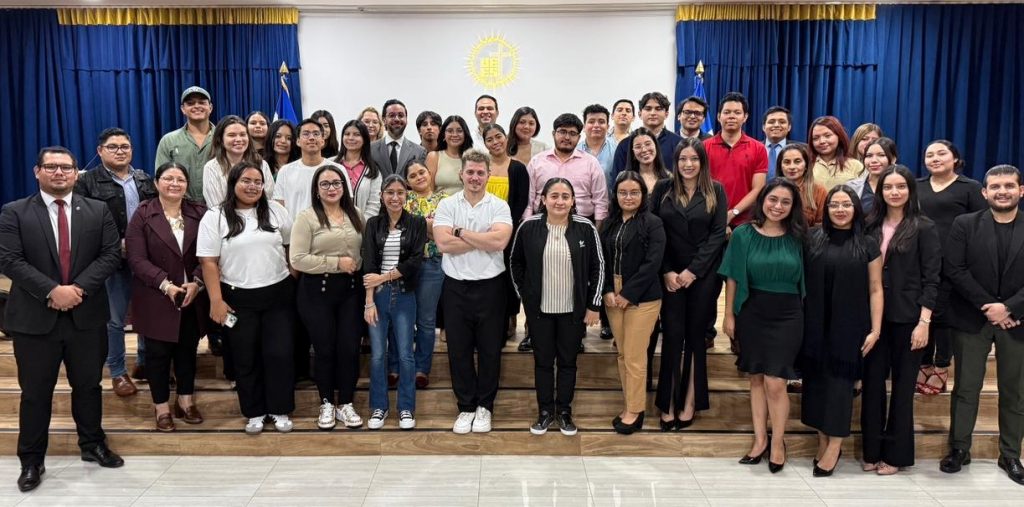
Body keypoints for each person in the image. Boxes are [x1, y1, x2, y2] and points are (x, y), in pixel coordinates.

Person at [0, 146, 124, 493]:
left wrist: (77, 289)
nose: (59, 173)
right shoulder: (14, 212)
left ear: (75, 173)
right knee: (35, 393)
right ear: (37, 171)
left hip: (86, 316)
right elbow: (9, 259)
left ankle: (92, 444)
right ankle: (31, 460)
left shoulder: (97, 210)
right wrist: (53, 291)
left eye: (66, 167)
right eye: (51, 167)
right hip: (35, 319)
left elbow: (110, 254)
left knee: (88, 386)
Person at [940, 164, 1024, 486]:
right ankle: (960, 448)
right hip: (972, 318)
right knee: (966, 388)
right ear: (984, 192)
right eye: (996, 187)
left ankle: (1010, 454)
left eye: (1009, 186)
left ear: (1020, 191)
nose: (1002, 191)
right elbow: (955, 269)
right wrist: (990, 307)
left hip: (1017, 321)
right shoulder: (965, 224)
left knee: (1015, 392)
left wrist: (1009, 307)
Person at [197, 162, 296, 435]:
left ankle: (279, 408)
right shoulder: (215, 216)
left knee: (279, 354)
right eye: (246, 181)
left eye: (258, 182)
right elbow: (208, 262)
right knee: (245, 356)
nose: (253, 186)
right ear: (233, 183)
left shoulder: (276, 211)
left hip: (278, 294)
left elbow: (291, 247)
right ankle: (254, 412)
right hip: (236, 297)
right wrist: (216, 300)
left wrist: (292, 278)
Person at [719, 178, 807, 473]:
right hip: (752, 311)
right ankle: (759, 441)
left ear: (793, 207)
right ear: (762, 200)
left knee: (776, 382)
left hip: (788, 315)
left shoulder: (799, 237)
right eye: (773, 199)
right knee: (756, 378)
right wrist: (729, 315)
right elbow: (733, 276)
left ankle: (778, 442)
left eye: (785, 202)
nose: (777, 206)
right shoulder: (743, 234)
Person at [861, 165, 941, 475]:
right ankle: (871, 450)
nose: (894, 192)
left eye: (901, 186)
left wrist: (924, 322)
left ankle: (896, 455)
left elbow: (932, 278)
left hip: (909, 319)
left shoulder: (924, 227)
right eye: (888, 187)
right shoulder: (869, 225)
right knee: (872, 386)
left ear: (910, 190)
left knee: (903, 389)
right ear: (879, 191)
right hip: (873, 318)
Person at [800, 185, 883, 477]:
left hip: (849, 326)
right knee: (816, 386)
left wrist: (875, 329)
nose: (840, 210)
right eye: (834, 204)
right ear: (826, 209)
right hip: (814, 324)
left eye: (846, 204)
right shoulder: (812, 237)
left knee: (839, 388)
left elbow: (876, 288)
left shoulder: (868, 243)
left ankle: (834, 447)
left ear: (856, 209)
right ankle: (823, 441)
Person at [512, 178, 603, 436]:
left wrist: (593, 304)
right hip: (539, 311)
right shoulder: (528, 227)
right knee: (542, 362)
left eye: (565, 196)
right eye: (554, 196)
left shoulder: (585, 227)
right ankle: (544, 412)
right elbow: (515, 263)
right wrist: (526, 297)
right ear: (543, 199)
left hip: (573, 312)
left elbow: (598, 266)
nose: (559, 201)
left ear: (573, 200)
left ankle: (563, 412)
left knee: (567, 362)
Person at [433, 149, 514, 434]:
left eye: (480, 172)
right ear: (461, 174)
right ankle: (466, 406)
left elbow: (500, 242)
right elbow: (443, 244)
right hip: (455, 287)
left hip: (491, 286)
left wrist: (460, 232)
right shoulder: (447, 204)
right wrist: (482, 239)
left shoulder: (499, 206)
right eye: (470, 172)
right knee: (459, 350)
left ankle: (485, 407)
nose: (475, 177)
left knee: (490, 349)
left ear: (488, 175)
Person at [124, 162, 208, 432]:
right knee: (157, 355)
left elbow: (212, 252)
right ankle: (161, 408)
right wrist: (166, 285)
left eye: (180, 179)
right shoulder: (143, 213)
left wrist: (197, 281)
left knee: (187, 351)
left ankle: (185, 401)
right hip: (156, 294)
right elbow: (136, 258)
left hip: (191, 295)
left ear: (187, 184)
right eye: (168, 178)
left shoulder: (200, 212)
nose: (175, 184)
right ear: (157, 183)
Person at [651, 138, 727, 431]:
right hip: (669, 275)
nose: (688, 164)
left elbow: (717, 235)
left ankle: (690, 401)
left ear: (702, 162)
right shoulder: (663, 188)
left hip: (703, 275)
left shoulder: (715, 190)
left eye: (694, 159)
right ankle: (668, 403)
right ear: (675, 161)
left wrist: (693, 271)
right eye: (683, 158)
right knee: (672, 336)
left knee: (696, 337)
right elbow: (654, 232)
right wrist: (667, 271)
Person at [75, 127, 157, 396]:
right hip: (111, 260)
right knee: (115, 319)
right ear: (100, 151)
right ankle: (118, 372)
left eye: (125, 146)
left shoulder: (144, 179)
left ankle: (144, 362)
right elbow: (82, 223)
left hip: (144, 259)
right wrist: (112, 244)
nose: (120, 151)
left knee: (146, 314)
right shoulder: (86, 182)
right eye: (113, 147)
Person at [289, 165, 366, 431]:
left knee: (349, 348)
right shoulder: (307, 218)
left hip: (351, 291)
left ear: (344, 186)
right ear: (316, 189)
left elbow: (364, 251)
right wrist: (335, 263)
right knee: (325, 349)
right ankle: (326, 403)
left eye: (336, 183)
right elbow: (297, 259)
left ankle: (345, 402)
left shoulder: (356, 214)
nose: (331, 188)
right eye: (325, 184)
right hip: (316, 292)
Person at [916, 140, 986, 396]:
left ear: (955, 158)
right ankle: (923, 363)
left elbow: (981, 224)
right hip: (920, 259)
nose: (935, 158)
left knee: (943, 315)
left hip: (954, 262)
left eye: (941, 153)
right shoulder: (916, 185)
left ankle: (942, 366)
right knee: (921, 311)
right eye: (929, 155)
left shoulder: (970, 187)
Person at [601, 172, 667, 434]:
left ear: (643, 195)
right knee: (623, 354)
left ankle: (635, 411)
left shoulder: (653, 223)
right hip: (613, 295)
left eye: (634, 192)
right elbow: (601, 260)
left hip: (643, 296)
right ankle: (629, 403)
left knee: (635, 356)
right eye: (623, 192)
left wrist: (628, 293)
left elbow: (653, 263)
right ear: (615, 195)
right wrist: (607, 289)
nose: (628, 197)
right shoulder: (609, 223)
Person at [363, 175, 428, 430]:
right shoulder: (373, 224)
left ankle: (406, 408)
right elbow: (369, 264)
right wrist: (369, 302)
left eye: (400, 192)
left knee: (405, 355)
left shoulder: (416, 223)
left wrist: (384, 276)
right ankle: (379, 407)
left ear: (406, 196)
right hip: (377, 296)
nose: (395, 197)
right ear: (382, 195)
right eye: (390, 192)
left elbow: (414, 262)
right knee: (378, 355)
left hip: (404, 294)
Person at [481, 123, 531, 342]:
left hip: (509, 230)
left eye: (498, 136)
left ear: (506, 137)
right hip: (482, 231)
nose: (495, 142)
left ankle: (511, 316)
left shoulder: (518, 168)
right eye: (489, 139)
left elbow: (521, 201)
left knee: (509, 275)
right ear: (485, 143)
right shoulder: (481, 167)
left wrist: (504, 227)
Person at [404, 162, 448, 387]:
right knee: (403, 318)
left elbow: (444, 232)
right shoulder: (403, 199)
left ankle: (422, 369)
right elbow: (402, 231)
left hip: (433, 263)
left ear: (430, 174)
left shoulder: (445, 200)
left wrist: (419, 226)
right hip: (406, 266)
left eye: (422, 172)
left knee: (426, 319)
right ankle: (400, 366)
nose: (419, 177)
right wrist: (429, 227)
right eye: (413, 175)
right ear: (407, 181)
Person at [525, 113, 608, 225]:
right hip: (542, 221)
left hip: (582, 223)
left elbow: (601, 202)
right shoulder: (537, 162)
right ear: (554, 134)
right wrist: (528, 227)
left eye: (572, 133)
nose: (567, 137)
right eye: (562, 132)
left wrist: (596, 231)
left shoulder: (591, 163)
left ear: (579, 137)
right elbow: (528, 201)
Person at [704, 92, 769, 230]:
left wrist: (733, 213)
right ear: (719, 116)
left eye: (737, 112)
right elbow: (701, 185)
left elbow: (758, 188)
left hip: (746, 222)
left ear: (745, 117)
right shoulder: (704, 147)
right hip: (709, 218)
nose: (731, 116)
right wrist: (720, 217)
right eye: (727, 112)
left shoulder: (758, 148)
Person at [274, 119, 349, 220]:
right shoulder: (285, 171)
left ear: (322, 141)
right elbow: (279, 208)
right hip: (294, 228)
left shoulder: (338, 170)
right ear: (298, 141)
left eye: (316, 134)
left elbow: (347, 204)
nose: (311, 138)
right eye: (306, 134)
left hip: (329, 228)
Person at [155, 86, 214, 203]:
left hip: (219, 205)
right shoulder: (168, 140)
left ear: (210, 107)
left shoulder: (223, 138)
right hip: (181, 207)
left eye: (202, 102)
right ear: (183, 109)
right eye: (190, 103)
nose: (196, 106)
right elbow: (162, 179)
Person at [202, 115, 276, 208]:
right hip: (224, 216)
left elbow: (269, 199)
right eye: (232, 135)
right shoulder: (211, 167)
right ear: (220, 140)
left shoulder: (261, 164)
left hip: (259, 215)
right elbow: (216, 206)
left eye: (242, 134)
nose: (238, 139)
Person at [613, 92, 682, 173]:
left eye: (658, 109)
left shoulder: (679, 143)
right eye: (648, 109)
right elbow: (618, 177)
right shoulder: (625, 144)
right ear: (640, 114)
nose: (653, 113)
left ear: (666, 114)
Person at [334, 119, 383, 217]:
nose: (351, 138)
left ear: (365, 139)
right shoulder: (331, 164)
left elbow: (374, 205)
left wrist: (361, 224)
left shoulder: (373, 170)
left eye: (356, 134)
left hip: (362, 224)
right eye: (347, 134)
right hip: (332, 223)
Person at [371, 99, 427, 177]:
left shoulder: (419, 152)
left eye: (401, 115)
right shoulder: (371, 149)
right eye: (392, 115)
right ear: (384, 120)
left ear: (406, 119)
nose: (397, 119)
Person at [777, 143, 827, 226]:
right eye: (787, 162)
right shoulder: (771, 189)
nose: (792, 167)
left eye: (797, 162)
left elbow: (821, 225)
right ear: (780, 166)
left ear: (806, 165)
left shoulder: (819, 190)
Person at [809, 116, 864, 190]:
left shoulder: (855, 165)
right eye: (816, 138)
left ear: (839, 136)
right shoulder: (807, 165)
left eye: (827, 136)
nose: (822, 141)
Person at [849, 137, 899, 216]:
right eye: (869, 156)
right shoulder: (852, 187)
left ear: (893, 159)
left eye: (881, 155)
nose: (874, 160)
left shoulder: (904, 187)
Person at [427, 115, 474, 196]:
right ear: (443, 134)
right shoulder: (434, 157)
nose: (455, 134)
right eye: (450, 131)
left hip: (467, 203)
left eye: (459, 131)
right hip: (439, 203)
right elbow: (428, 190)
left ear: (465, 134)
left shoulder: (472, 157)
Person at [577, 104, 618, 195]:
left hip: (609, 202)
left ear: (607, 126)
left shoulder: (617, 150)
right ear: (584, 127)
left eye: (601, 122)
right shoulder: (575, 151)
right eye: (591, 122)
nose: (596, 125)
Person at [622, 128, 672, 194]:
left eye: (648, 144)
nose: (644, 150)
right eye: (638, 147)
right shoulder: (624, 178)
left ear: (655, 146)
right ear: (633, 152)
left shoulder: (669, 177)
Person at [762, 106, 793, 179]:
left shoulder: (803, 149)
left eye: (782, 122)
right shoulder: (753, 148)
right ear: (763, 127)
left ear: (789, 127)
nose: (776, 125)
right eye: (771, 122)